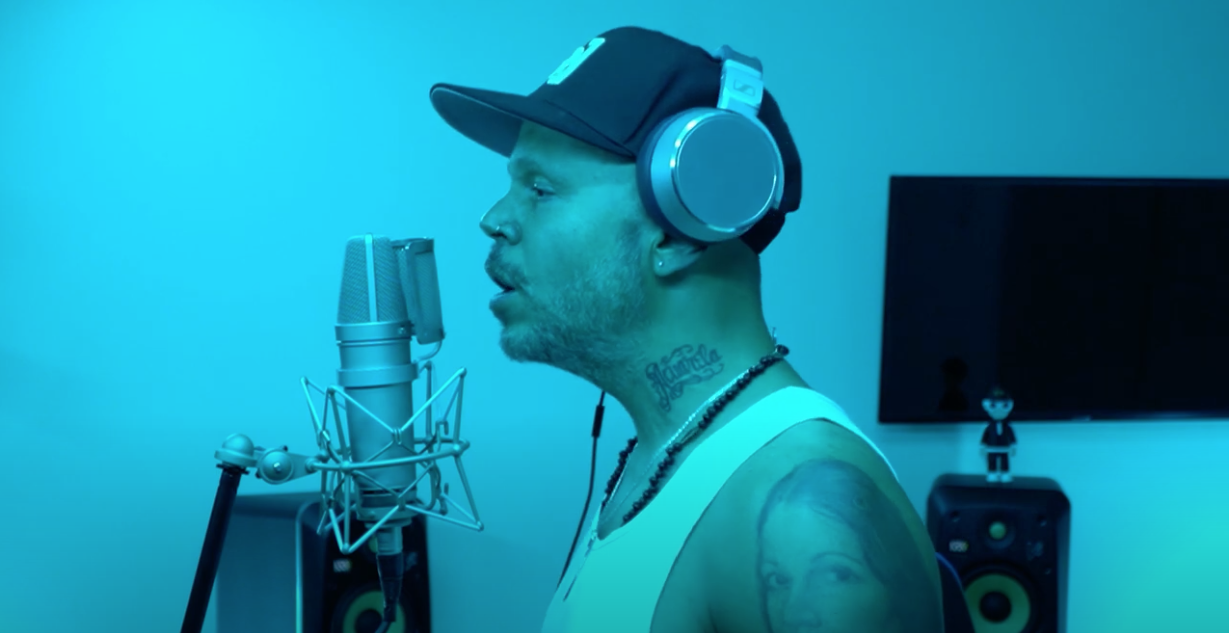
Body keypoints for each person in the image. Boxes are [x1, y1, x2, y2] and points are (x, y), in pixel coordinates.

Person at [429, 26, 944, 633]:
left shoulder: (801, 509)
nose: (494, 220)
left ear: (677, 234)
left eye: (541, 189)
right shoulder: (663, 455)